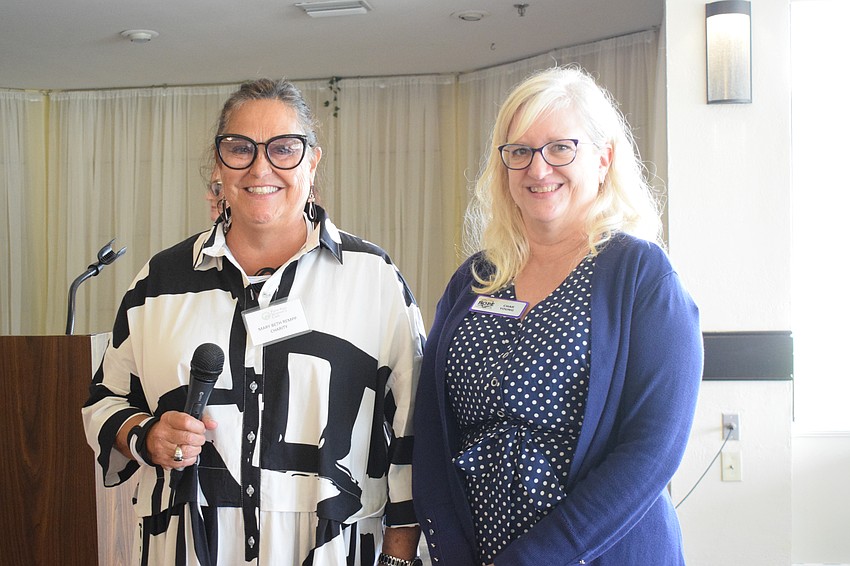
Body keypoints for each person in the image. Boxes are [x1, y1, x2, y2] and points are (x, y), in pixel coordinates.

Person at [82, 78, 425, 566]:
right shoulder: (159, 280)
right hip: (184, 548)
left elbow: (416, 429)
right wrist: (145, 434)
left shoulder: (373, 278)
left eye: (284, 149)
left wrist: (397, 557)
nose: (261, 167)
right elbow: (104, 401)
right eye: (240, 148)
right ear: (219, 166)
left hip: (332, 549)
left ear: (312, 162)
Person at [412, 66, 703, 566]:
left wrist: (537, 558)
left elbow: (652, 450)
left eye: (560, 148)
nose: (538, 169)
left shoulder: (640, 276)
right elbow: (433, 432)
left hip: (600, 554)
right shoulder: (474, 280)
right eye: (520, 152)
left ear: (603, 159)